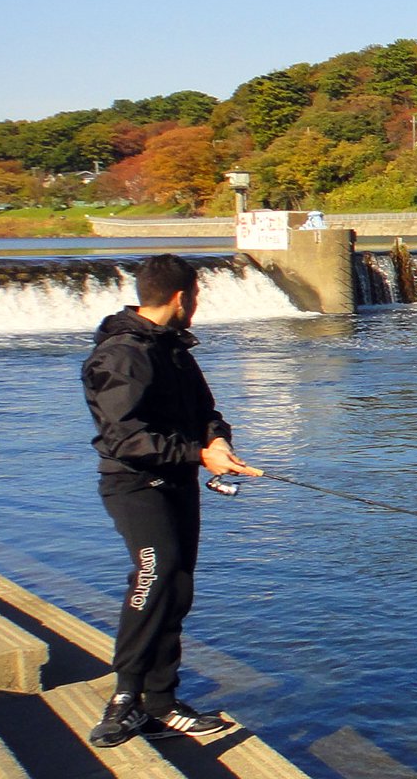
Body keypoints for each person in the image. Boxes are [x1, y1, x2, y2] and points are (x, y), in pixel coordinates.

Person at [81, 253, 256, 748]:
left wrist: (216, 440)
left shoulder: (174, 350)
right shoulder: (121, 355)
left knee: (176, 587)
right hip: (135, 486)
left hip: (176, 481)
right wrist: (199, 454)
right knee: (154, 576)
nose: (196, 305)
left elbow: (206, 410)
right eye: (196, 297)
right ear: (182, 297)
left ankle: (161, 702)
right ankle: (123, 701)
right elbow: (123, 440)